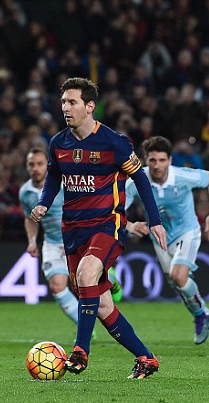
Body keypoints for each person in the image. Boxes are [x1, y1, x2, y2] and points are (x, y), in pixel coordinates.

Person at [30, 78, 168, 379]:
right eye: (63, 101)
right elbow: (54, 176)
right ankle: (146, 358)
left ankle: (80, 351)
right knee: (102, 304)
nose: (65, 107)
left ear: (89, 106)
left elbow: (141, 179)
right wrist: (44, 202)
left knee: (86, 275)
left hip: (107, 224)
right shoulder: (58, 144)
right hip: (72, 229)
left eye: (72, 102)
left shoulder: (113, 142)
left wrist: (154, 220)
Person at [125, 135, 209, 348]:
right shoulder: (137, 181)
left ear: (170, 160)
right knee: (181, 287)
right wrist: (131, 226)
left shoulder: (182, 176)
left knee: (178, 276)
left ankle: (200, 316)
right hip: (160, 238)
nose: (157, 165)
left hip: (187, 232)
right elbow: (114, 211)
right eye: (152, 160)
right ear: (146, 160)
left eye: (162, 160)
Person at [19, 147, 124, 338]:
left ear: (47, 164)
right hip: (52, 243)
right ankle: (86, 329)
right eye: (31, 164)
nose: (35, 168)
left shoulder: (63, 183)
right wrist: (32, 241)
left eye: (40, 164)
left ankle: (112, 280)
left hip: (77, 238)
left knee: (88, 282)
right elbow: (29, 218)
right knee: (57, 286)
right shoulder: (25, 192)